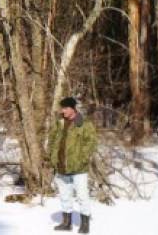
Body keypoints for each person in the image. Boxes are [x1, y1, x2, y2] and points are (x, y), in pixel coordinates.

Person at [47, 96, 97, 234]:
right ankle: (66, 223)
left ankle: (85, 224)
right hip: (61, 166)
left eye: (65, 108)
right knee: (64, 195)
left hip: (78, 168)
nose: (62, 111)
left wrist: (82, 158)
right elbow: (51, 140)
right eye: (62, 108)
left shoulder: (84, 124)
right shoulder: (59, 123)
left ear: (72, 108)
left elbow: (91, 142)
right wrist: (51, 157)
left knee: (82, 196)